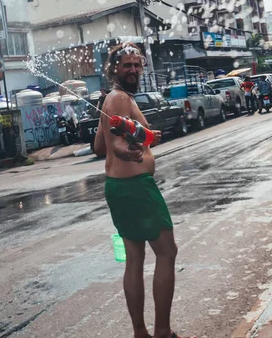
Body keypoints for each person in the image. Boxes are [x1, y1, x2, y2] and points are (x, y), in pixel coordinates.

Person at [93, 43, 189, 338]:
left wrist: (142, 140)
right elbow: (115, 146)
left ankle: (141, 333)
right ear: (114, 69)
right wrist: (129, 152)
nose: (133, 69)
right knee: (167, 252)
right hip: (136, 187)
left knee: (134, 259)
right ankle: (162, 332)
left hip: (117, 189)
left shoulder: (111, 99)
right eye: (127, 65)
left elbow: (99, 146)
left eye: (137, 65)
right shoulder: (120, 98)